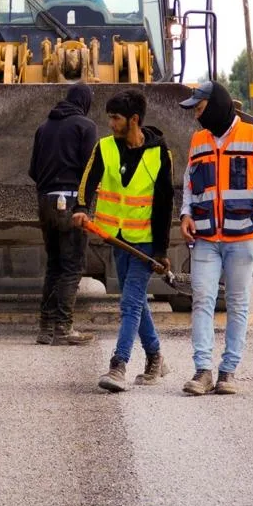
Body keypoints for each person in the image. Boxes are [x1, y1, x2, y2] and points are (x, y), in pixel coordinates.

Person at [178, 81, 253, 396]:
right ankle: (202, 371)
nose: (197, 117)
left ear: (216, 105)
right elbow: (189, 183)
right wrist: (185, 214)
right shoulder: (198, 141)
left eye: (199, 109)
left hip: (242, 235)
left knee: (237, 303)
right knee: (202, 299)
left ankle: (228, 372)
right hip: (206, 236)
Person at [73, 88, 174, 392]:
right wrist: (80, 208)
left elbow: (164, 203)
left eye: (116, 118)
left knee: (130, 303)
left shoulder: (160, 154)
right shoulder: (105, 147)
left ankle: (118, 365)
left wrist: (161, 249)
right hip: (116, 239)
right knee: (137, 301)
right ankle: (156, 357)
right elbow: (88, 181)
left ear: (134, 119)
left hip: (144, 242)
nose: (111, 123)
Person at [28, 82, 98, 345]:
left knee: (55, 264)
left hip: (45, 202)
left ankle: (45, 329)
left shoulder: (43, 128)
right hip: (70, 202)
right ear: (85, 102)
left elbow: (33, 171)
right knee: (72, 266)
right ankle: (63, 327)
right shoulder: (86, 126)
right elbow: (90, 168)